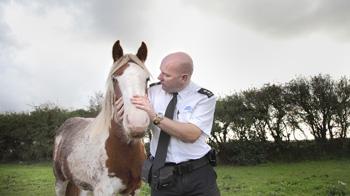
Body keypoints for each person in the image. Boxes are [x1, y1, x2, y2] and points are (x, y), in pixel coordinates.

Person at [117, 52, 220, 196]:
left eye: (166, 75)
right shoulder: (150, 92)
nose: (159, 77)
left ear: (184, 78)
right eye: (160, 71)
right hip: (163, 177)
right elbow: (131, 112)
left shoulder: (203, 98)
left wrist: (154, 116)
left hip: (199, 176)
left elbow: (191, 134)